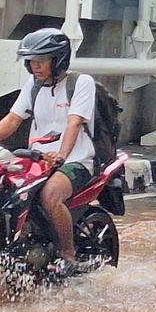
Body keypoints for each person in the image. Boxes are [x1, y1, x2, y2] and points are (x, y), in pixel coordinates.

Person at [0, 28, 96, 275]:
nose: (35, 67)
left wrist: (62, 156)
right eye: (31, 62)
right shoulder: (33, 86)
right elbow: (11, 121)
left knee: (50, 196)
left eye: (41, 61)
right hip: (37, 160)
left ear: (59, 60)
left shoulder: (80, 83)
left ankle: (68, 254)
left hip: (75, 161)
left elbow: (73, 123)